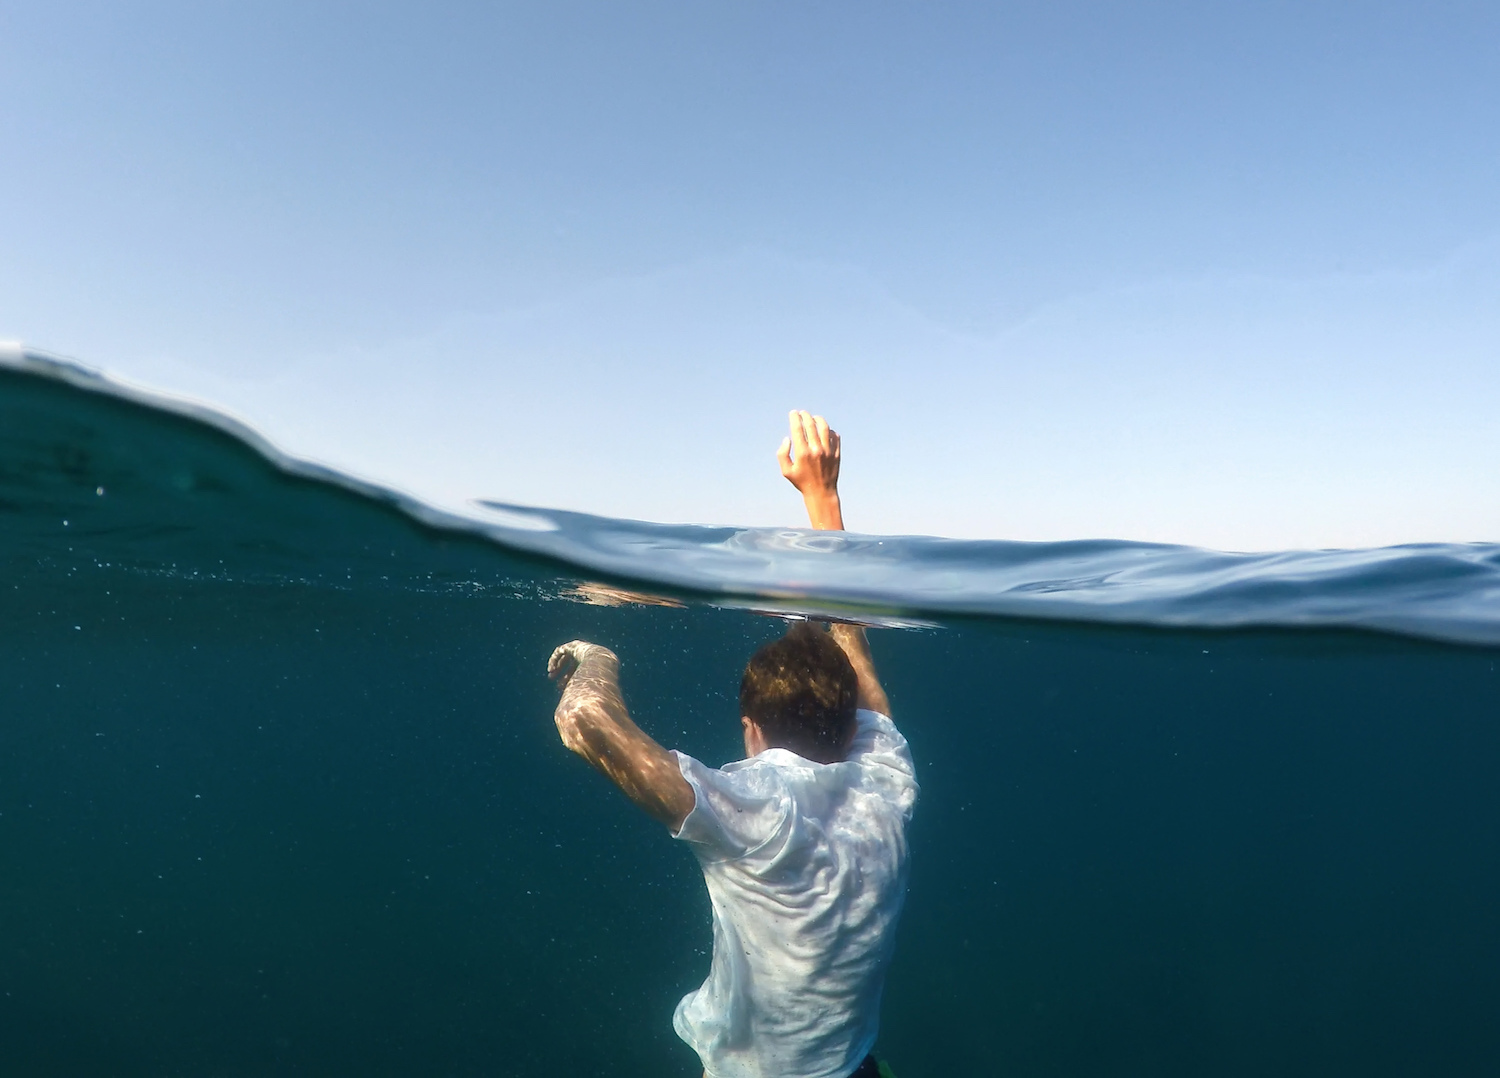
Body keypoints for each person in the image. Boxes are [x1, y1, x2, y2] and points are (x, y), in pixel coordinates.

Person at [546, 411, 918, 1078]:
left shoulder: (755, 812)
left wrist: (595, 655)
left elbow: (583, 722)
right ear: (850, 724)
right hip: (850, 1063)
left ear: (751, 730)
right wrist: (823, 497)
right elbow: (854, 647)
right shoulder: (886, 776)